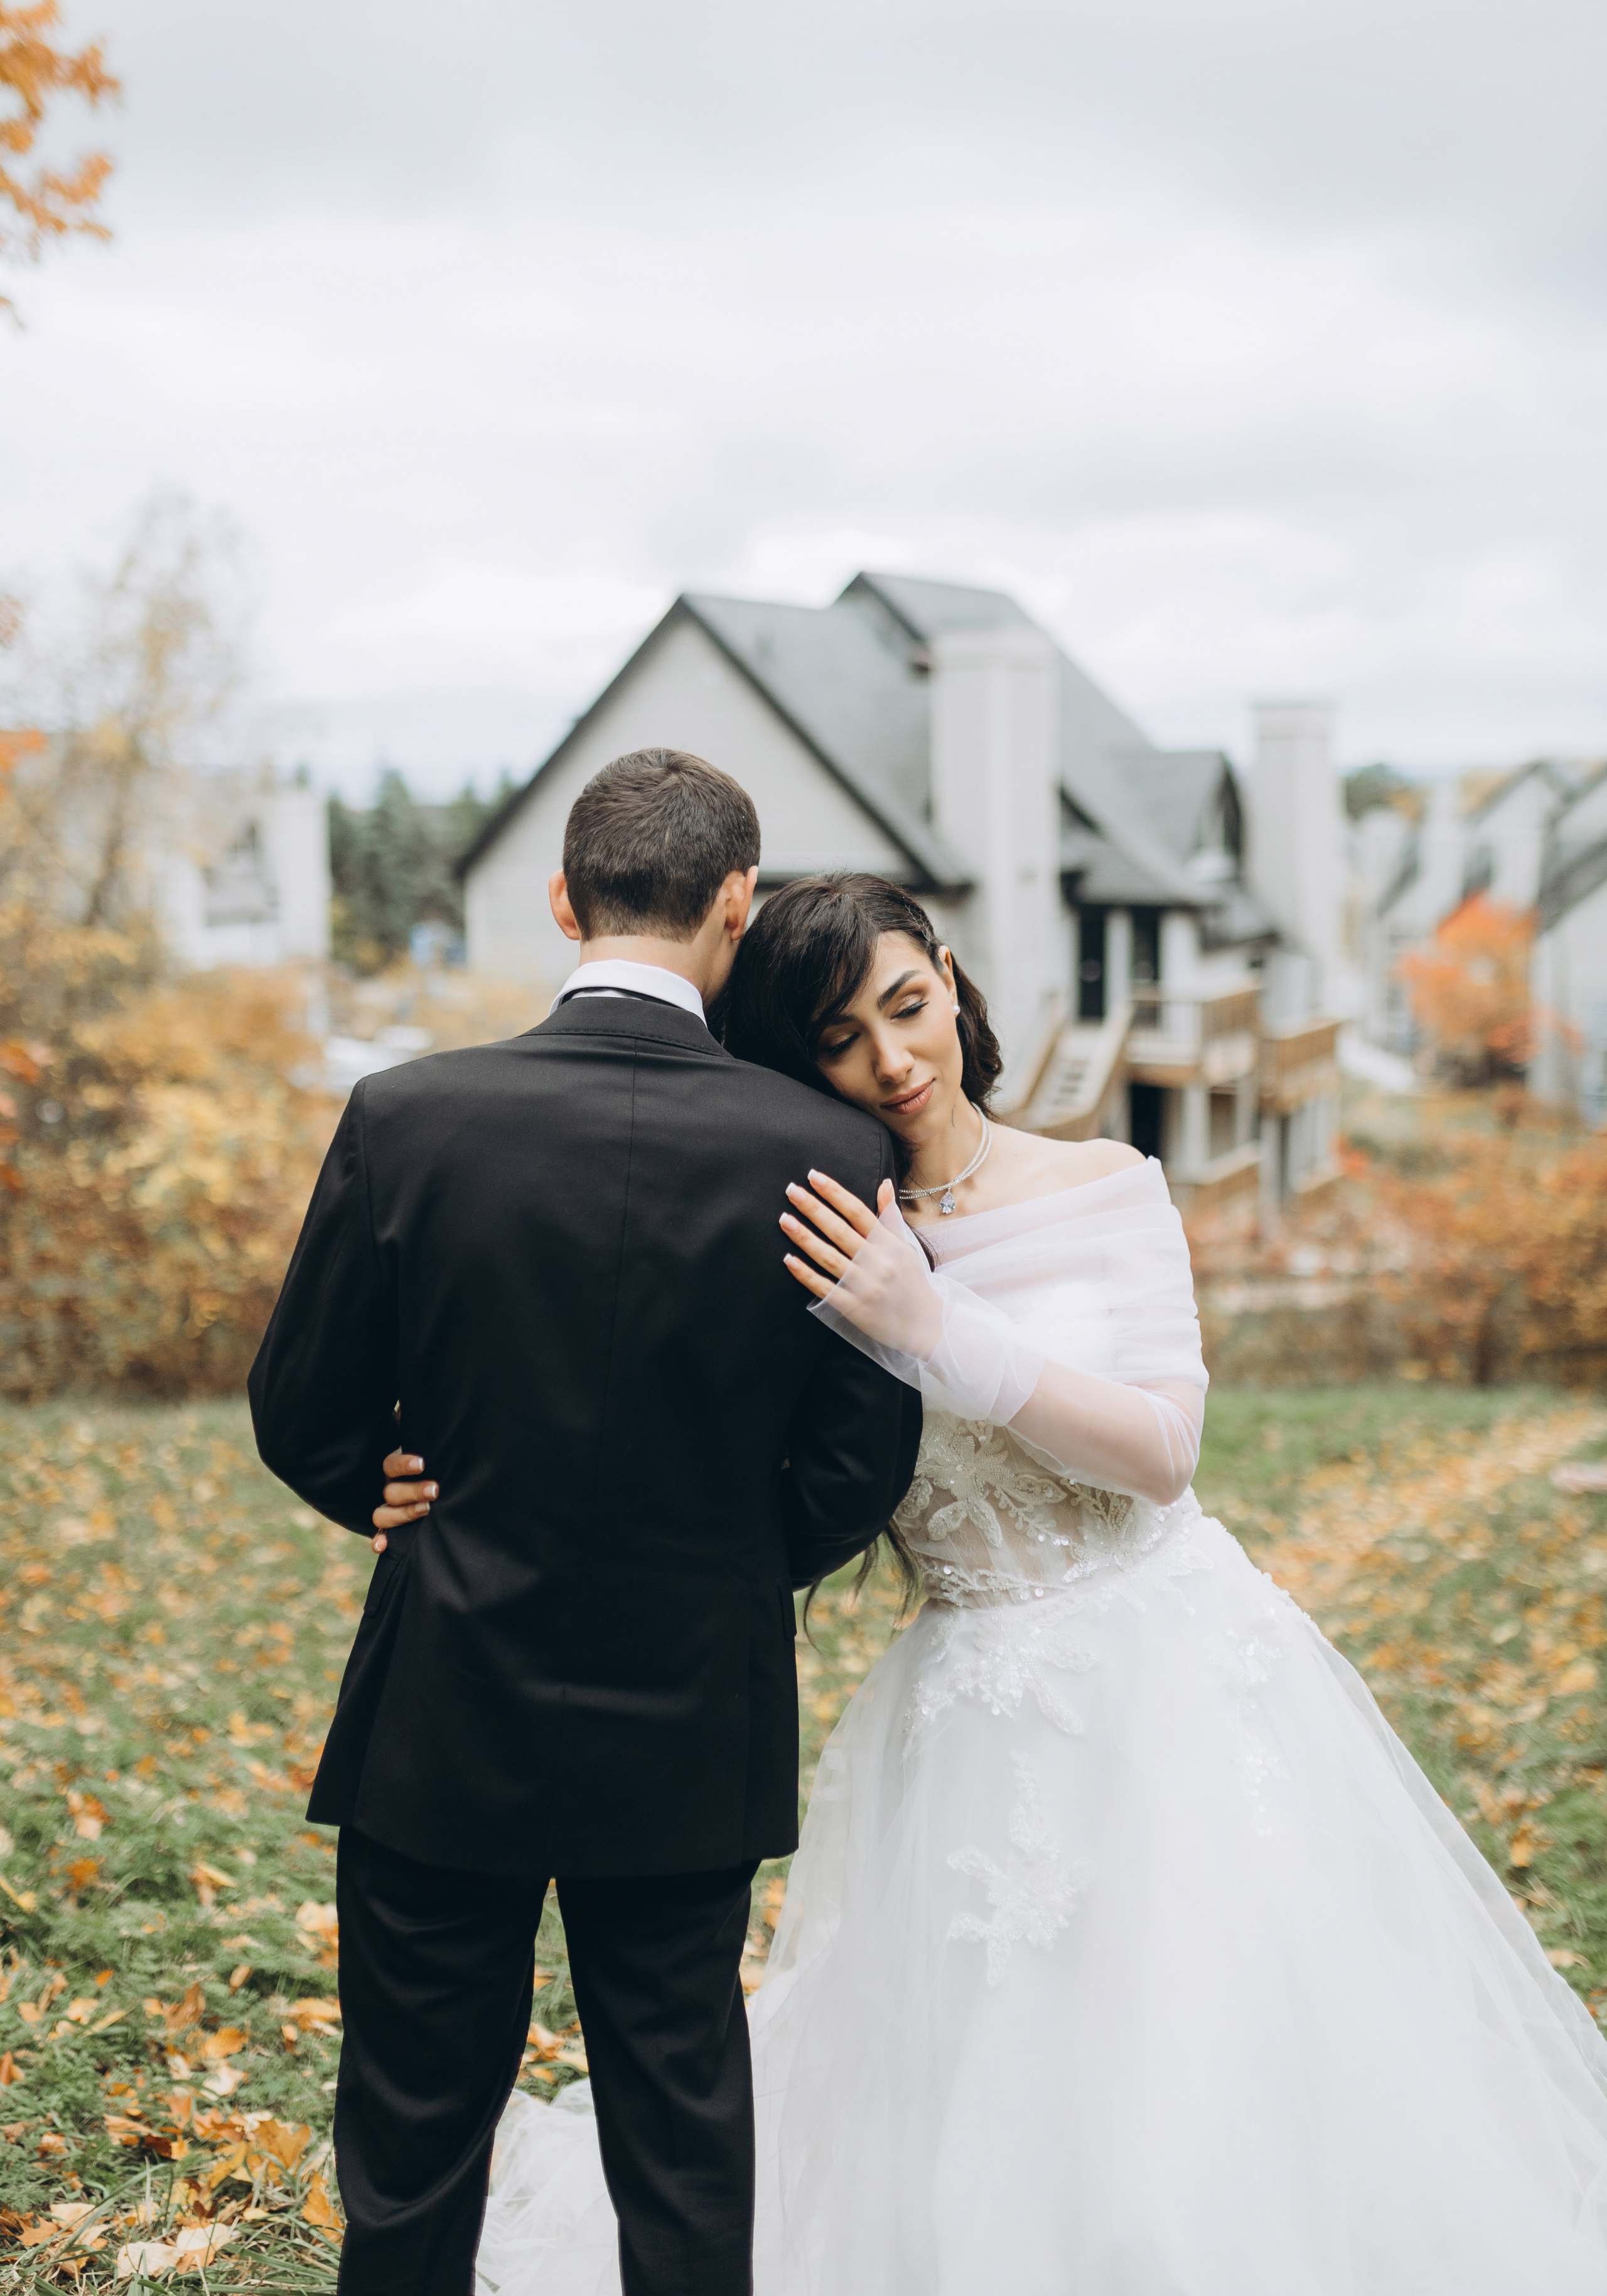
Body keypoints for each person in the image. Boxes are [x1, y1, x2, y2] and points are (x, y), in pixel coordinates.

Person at [391, 869, 1607, 2294]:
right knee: (976, 2082)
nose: (892, 1059)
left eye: (907, 1006)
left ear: (952, 979)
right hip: (967, 1705)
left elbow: (1160, 1448)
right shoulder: (809, 1233)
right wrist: (428, 1480)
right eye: (840, 1038)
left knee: (1209, 2052)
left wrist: (934, 1322)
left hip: (1171, 1676)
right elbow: (691, 1446)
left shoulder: (1102, 1182)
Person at [248, 764, 922, 2296]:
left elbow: (298, 1398)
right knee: (683, 2139)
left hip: (441, 1704)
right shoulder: (827, 1154)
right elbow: (856, 1461)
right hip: (692, 1718)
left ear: (564, 901)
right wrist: (730, 1554)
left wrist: (381, 1481)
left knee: (413, 2139)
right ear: (735, 909)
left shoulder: (405, 1116)